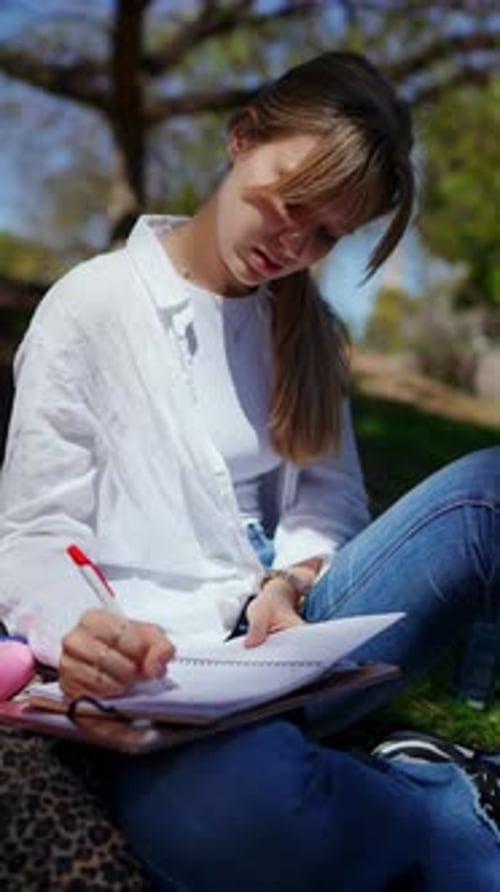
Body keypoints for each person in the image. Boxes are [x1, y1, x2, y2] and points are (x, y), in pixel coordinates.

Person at [0, 50, 499, 892]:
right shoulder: (92, 306)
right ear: (240, 138)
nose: (295, 244)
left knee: (488, 490)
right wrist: (82, 631)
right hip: (164, 672)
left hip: (293, 636)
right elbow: (37, 530)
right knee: (230, 826)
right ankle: (441, 797)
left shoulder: (304, 335)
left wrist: (290, 584)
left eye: (328, 234)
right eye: (292, 202)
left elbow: (330, 503)